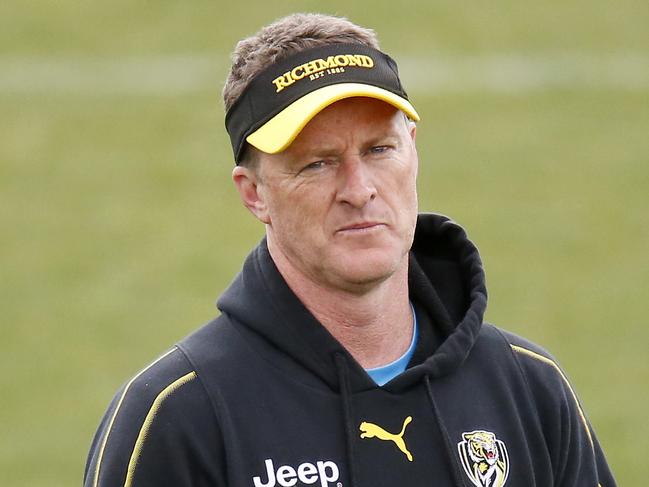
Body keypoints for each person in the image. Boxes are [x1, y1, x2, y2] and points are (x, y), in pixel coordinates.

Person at [84, 13, 616, 487]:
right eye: (318, 162)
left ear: (414, 151)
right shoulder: (180, 416)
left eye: (379, 149)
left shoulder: (527, 387)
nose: (359, 188)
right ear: (254, 193)